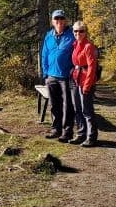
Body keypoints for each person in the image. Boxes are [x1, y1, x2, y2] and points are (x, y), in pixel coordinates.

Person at [41, 10, 75, 141]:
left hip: (66, 76)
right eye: (56, 19)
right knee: (54, 104)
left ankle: (67, 132)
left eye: (61, 19)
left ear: (65, 20)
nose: (59, 21)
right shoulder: (48, 35)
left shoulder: (72, 35)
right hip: (51, 76)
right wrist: (45, 73)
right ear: (52, 21)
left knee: (67, 105)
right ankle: (56, 129)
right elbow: (44, 54)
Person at [69, 21, 99, 146]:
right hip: (76, 80)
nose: (78, 33)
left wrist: (87, 85)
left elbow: (92, 67)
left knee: (87, 110)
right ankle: (81, 134)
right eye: (75, 31)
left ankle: (91, 137)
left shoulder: (88, 46)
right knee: (77, 109)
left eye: (81, 31)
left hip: (85, 81)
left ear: (85, 32)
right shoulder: (75, 44)